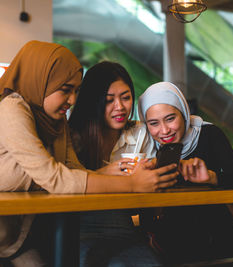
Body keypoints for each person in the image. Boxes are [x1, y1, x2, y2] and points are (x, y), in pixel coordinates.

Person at [0, 42, 178, 267]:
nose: (71, 99)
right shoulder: (11, 109)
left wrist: (108, 173)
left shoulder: (56, 122)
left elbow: (73, 173)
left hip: (12, 245)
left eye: (76, 91)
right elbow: (54, 178)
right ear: (42, 80)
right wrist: (132, 184)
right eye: (65, 89)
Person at [137, 82, 233, 264]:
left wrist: (211, 177)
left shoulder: (208, 134)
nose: (164, 130)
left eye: (170, 118)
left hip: (218, 231)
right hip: (169, 239)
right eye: (153, 123)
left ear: (184, 113)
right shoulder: (145, 145)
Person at [69, 61, 163, 266]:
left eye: (126, 98)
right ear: (93, 101)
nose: (119, 107)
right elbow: (61, 184)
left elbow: (148, 192)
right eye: (108, 100)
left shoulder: (140, 133)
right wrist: (102, 174)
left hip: (126, 228)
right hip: (78, 229)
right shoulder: (73, 137)